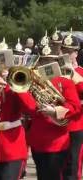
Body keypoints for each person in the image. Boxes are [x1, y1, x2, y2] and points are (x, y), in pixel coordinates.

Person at [27, 40, 81, 180]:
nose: (45, 65)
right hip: (38, 138)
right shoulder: (31, 81)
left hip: (57, 139)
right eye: (43, 61)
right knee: (42, 175)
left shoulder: (65, 81)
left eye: (49, 61)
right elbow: (26, 108)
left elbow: (75, 107)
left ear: (56, 62)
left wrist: (55, 111)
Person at [60, 32, 83, 180]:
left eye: (71, 52)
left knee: (73, 165)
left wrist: (73, 74)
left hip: (76, 123)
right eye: (65, 51)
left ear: (76, 53)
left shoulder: (81, 72)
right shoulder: (55, 70)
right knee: (56, 165)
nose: (68, 55)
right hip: (56, 122)